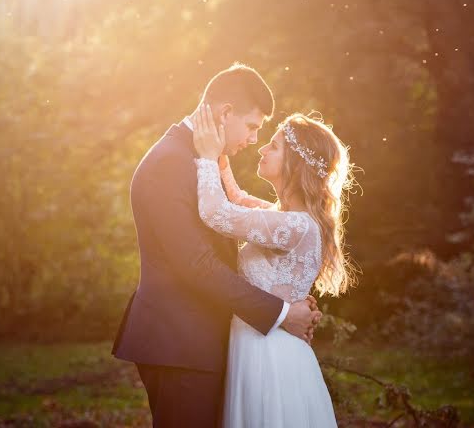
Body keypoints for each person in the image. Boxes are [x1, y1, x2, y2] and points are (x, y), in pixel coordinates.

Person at [112, 63, 322, 427]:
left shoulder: (201, 160)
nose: (254, 139)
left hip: (202, 341)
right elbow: (196, 264)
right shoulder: (171, 163)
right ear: (226, 113)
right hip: (180, 342)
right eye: (253, 126)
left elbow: (233, 213)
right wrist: (283, 313)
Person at [190, 103, 355, 428]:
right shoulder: (286, 219)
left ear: (295, 165)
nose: (262, 147)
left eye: (275, 145)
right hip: (261, 345)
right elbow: (237, 200)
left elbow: (214, 212)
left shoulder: (295, 226)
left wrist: (207, 157)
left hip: (269, 356)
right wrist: (223, 161)